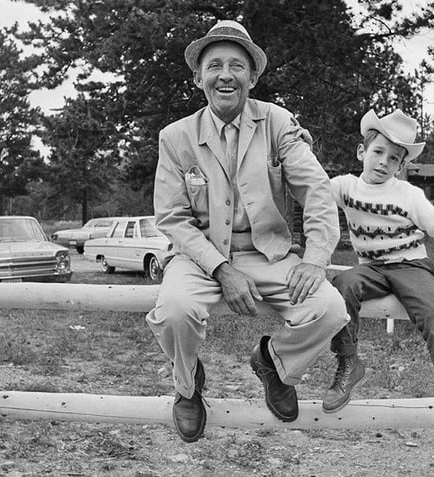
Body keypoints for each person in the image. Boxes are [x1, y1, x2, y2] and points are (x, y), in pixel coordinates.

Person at [146, 20, 350, 443]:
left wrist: (315, 259)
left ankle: (274, 362)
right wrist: (222, 269)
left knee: (329, 309)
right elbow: (172, 218)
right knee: (175, 310)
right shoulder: (175, 137)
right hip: (199, 257)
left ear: (252, 77)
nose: (225, 75)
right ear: (198, 76)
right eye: (214, 65)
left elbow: (316, 191)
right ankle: (187, 386)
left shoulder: (279, 123)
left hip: (269, 255)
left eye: (237, 65)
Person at [323, 109, 434, 448]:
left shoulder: (408, 195)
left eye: (393, 159)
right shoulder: (344, 187)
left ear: (401, 166)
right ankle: (348, 362)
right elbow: (309, 190)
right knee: (343, 285)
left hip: (410, 266)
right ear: (361, 152)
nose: (383, 163)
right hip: (371, 268)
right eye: (378, 152)